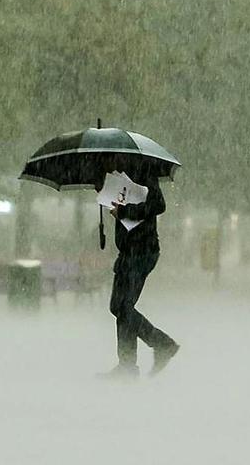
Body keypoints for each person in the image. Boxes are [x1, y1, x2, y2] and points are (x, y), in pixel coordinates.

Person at [96, 157, 180, 379]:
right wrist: (104, 194)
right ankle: (129, 365)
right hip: (127, 253)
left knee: (123, 307)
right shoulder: (114, 178)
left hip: (143, 251)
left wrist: (125, 212)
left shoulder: (143, 171)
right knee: (118, 307)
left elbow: (158, 205)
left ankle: (159, 346)